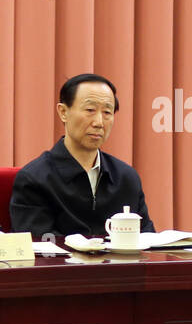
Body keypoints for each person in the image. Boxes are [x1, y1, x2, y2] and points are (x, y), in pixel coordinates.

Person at [9, 74, 154, 236]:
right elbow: (39, 247)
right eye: (90, 110)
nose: (99, 122)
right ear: (63, 112)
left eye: (107, 112)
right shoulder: (34, 179)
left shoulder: (127, 178)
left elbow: (147, 240)